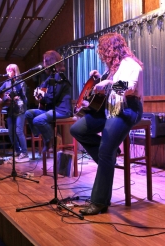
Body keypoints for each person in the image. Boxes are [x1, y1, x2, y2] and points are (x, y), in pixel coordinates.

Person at [70, 32, 143, 215]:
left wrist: (108, 83)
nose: (102, 55)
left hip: (127, 109)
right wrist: (98, 78)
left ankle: (99, 202)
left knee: (104, 151)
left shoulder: (130, 64)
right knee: (77, 129)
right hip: (109, 109)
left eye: (103, 51)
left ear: (111, 50)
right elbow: (107, 87)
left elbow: (129, 87)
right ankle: (109, 155)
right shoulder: (114, 68)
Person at [25, 50, 72, 153]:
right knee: (28, 113)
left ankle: (50, 140)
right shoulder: (50, 77)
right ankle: (42, 134)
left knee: (37, 120)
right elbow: (42, 88)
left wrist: (41, 96)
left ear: (49, 62)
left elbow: (51, 98)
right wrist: (38, 92)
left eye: (44, 62)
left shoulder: (59, 76)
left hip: (62, 110)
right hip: (52, 109)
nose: (43, 64)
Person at [0, 64, 29, 163]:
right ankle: (18, 151)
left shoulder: (21, 82)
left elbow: (23, 95)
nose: (8, 73)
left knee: (18, 131)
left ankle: (25, 153)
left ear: (15, 71)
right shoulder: (7, 82)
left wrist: (14, 97)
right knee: (11, 132)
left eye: (10, 71)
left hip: (20, 109)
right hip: (10, 109)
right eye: (7, 71)